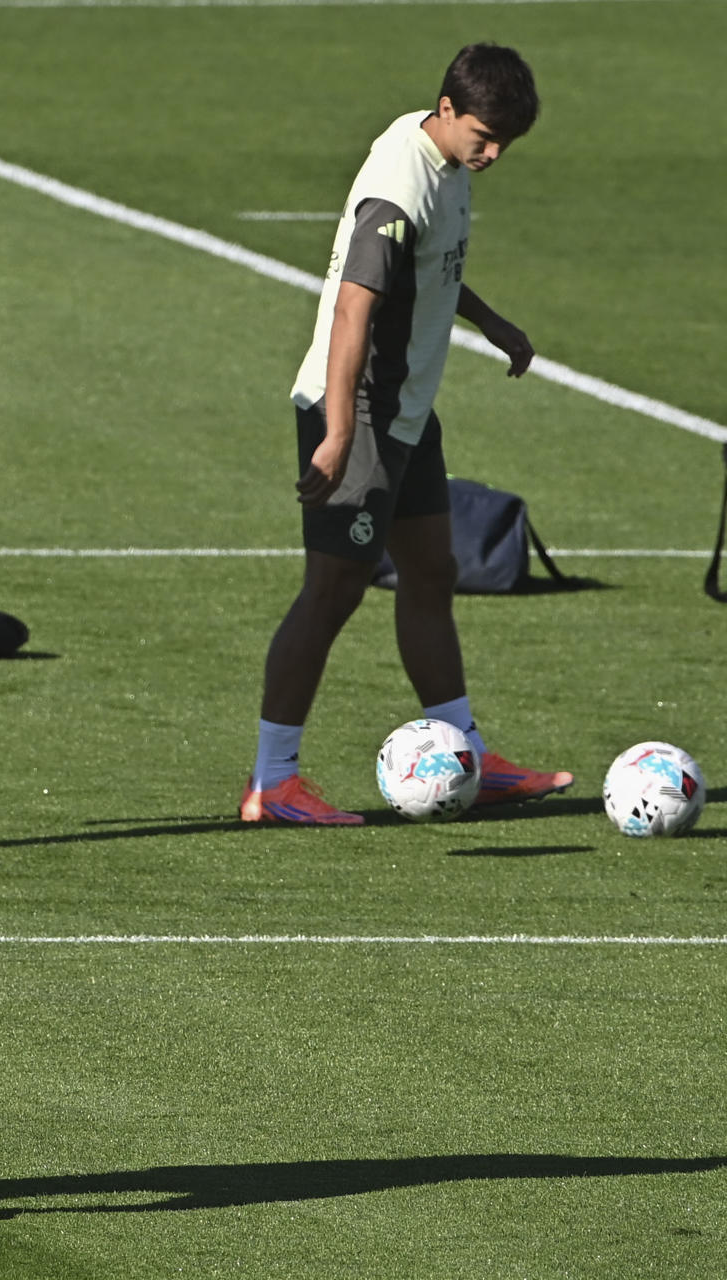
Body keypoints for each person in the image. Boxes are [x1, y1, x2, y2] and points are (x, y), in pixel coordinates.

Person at [240, 44, 573, 825]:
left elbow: (429, 270)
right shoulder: (398, 187)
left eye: (505, 145)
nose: (492, 155)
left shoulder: (445, 163)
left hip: (405, 414)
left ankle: (468, 753)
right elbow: (355, 308)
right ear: (448, 109)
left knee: (431, 569)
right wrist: (334, 434)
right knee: (332, 590)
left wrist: (490, 322)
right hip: (357, 413)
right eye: (484, 137)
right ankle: (272, 780)